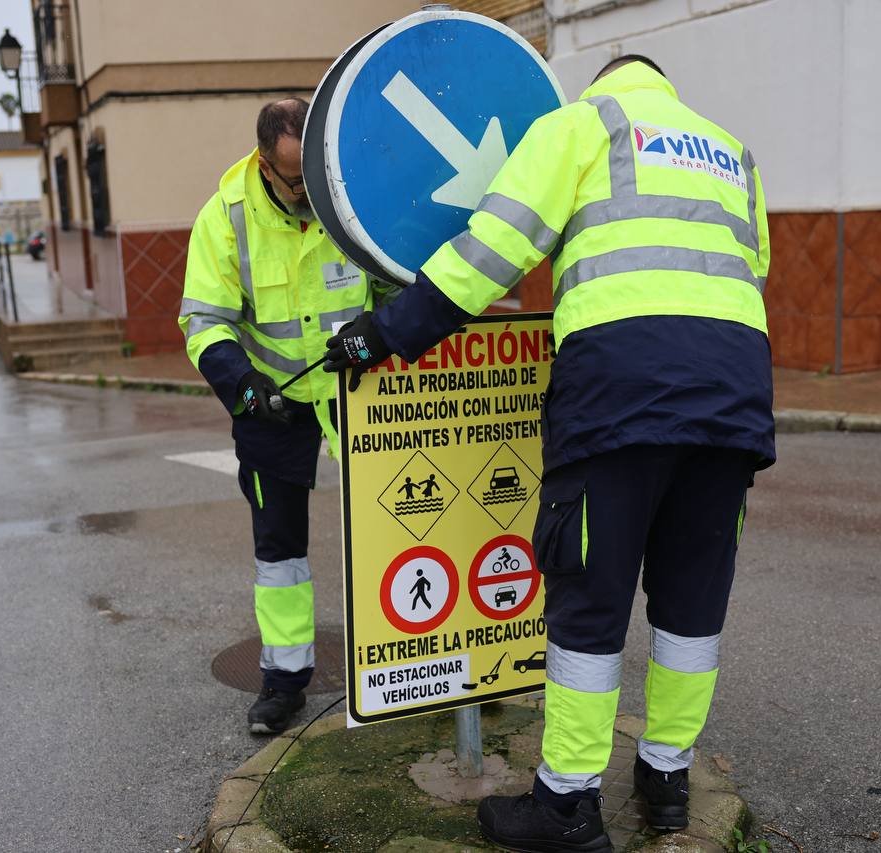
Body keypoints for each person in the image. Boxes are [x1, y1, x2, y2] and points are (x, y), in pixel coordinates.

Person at [325, 56, 773, 851]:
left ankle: (566, 803)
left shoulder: (579, 126)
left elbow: (492, 249)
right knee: (692, 608)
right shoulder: (730, 148)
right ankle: (668, 778)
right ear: (664, 87)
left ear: (601, 82)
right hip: (732, 401)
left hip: (618, 397)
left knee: (590, 606)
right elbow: (751, 266)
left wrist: (385, 333)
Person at [179, 99, 398, 736]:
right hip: (271, 402)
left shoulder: (349, 195)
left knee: (406, 526)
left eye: (308, 174)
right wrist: (243, 387)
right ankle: (283, 680)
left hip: (361, 393)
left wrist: (377, 329)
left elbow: (396, 285)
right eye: (291, 181)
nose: (303, 191)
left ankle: (426, 669)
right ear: (263, 164)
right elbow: (203, 318)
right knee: (280, 553)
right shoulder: (225, 217)